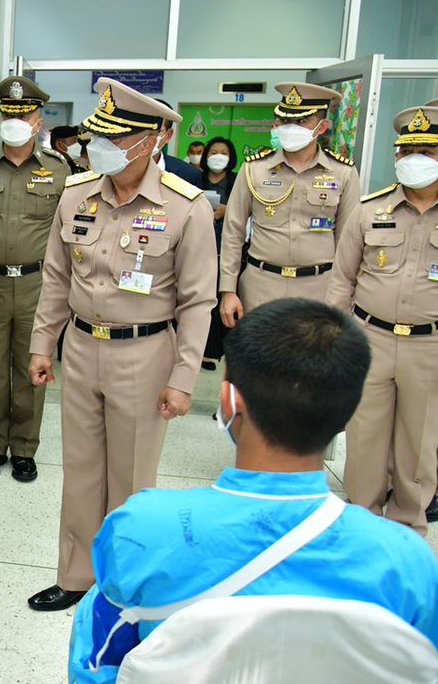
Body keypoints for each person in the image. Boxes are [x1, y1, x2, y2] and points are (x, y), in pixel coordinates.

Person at [67, 298, 438, 682]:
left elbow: (94, 669)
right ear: (347, 411)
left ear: (228, 403)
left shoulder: (141, 529)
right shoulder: (407, 562)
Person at [27, 78, 216, 612]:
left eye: (114, 138)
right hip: (82, 348)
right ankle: (76, 575)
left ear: (152, 139)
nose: (98, 149)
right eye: (96, 138)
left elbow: (198, 300)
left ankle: (126, 583)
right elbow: (57, 279)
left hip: (146, 351)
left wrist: (184, 379)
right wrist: (44, 343)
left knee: (133, 478)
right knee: (81, 470)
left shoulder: (186, 206)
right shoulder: (76, 194)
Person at [327, 105, 438, 536]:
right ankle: (362, 525)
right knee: (365, 439)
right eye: (407, 149)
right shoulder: (370, 209)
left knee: (419, 444)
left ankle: (409, 530)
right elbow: (342, 280)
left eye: (425, 151)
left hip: (429, 348)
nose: (413, 158)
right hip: (368, 337)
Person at [0, 76, 70, 482]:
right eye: (7, 113)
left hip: (36, 285)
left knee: (32, 367)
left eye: (23, 113)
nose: (14, 120)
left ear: (38, 120)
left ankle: (25, 448)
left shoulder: (60, 171)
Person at [219, 83, 359, 329]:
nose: (289, 128)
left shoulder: (343, 172)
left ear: (321, 127)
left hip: (318, 287)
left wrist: (343, 296)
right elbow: (233, 233)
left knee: (312, 364)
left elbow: (349, 243)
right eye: (283, 121)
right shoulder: (253, 169)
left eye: (301, 121)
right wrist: (228, 290)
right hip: (260, 285)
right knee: (257, 363)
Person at [200, 136, 238, 369]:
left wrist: (229, 210)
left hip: (227, 246)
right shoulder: (197, 178)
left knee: (220, 299)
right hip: (200, 243)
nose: (218, 157)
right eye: (214, 152)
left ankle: (217, 348)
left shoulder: (237, 180)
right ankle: (200, 350)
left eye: (223, 152)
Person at [152, 99, 203, 187]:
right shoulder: (120, 170)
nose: (145, 138)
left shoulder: (189, 175)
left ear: (168, 136)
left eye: (155, 131)